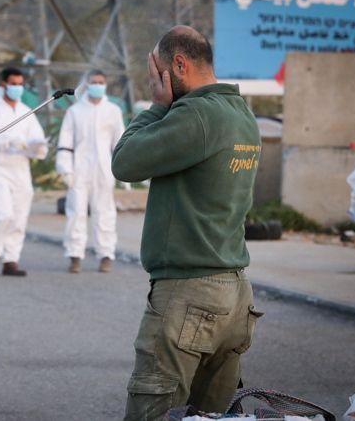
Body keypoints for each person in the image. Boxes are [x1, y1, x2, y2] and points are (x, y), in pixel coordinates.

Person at [111, 26, 262, 419]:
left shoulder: (196, 114)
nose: (154, 80)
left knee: (150, 412)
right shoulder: (240, 113)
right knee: (210, 416)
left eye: (156, 72)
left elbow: (124, 162)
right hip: (234, 293)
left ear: (178, 65)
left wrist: (157, 106)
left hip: (189, 294)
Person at [0, 67, 48, 277]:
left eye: (20, 84)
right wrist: (8, 140)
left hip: (20, 169)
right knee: (2, 214)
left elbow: (37, 139)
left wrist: (38, 147)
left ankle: (11, 260)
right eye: (13, 84)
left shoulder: (26, 111)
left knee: (19, 216)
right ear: (3, 85)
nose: (17, 88)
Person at [56, 70, 125, 273]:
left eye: (101, 82)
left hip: (104, 168)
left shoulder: (113, 111)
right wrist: (65, 169)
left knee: (105, 212)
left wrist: (124, 171)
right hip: (79, 169)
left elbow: (120, 142)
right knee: (76, 211)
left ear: (105, 84)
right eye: (94, 82)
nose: (97, 85)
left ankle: (105, 255)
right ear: (87, 84)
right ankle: (75, 255)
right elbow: (65, 142)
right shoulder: (75, 111)